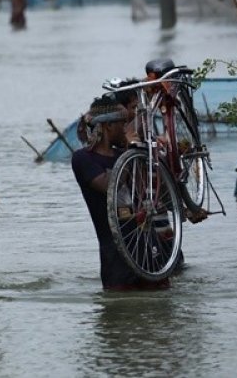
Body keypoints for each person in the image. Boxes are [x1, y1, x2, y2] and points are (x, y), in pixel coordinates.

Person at [71, 96, 170, 290]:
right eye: (122, 123)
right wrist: (129, 151)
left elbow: (153, 188)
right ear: (107, 126)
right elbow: (109, 184)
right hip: (115, 258)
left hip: (147, 251)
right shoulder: (82, 158)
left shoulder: (125, 155)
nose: (126, 128)